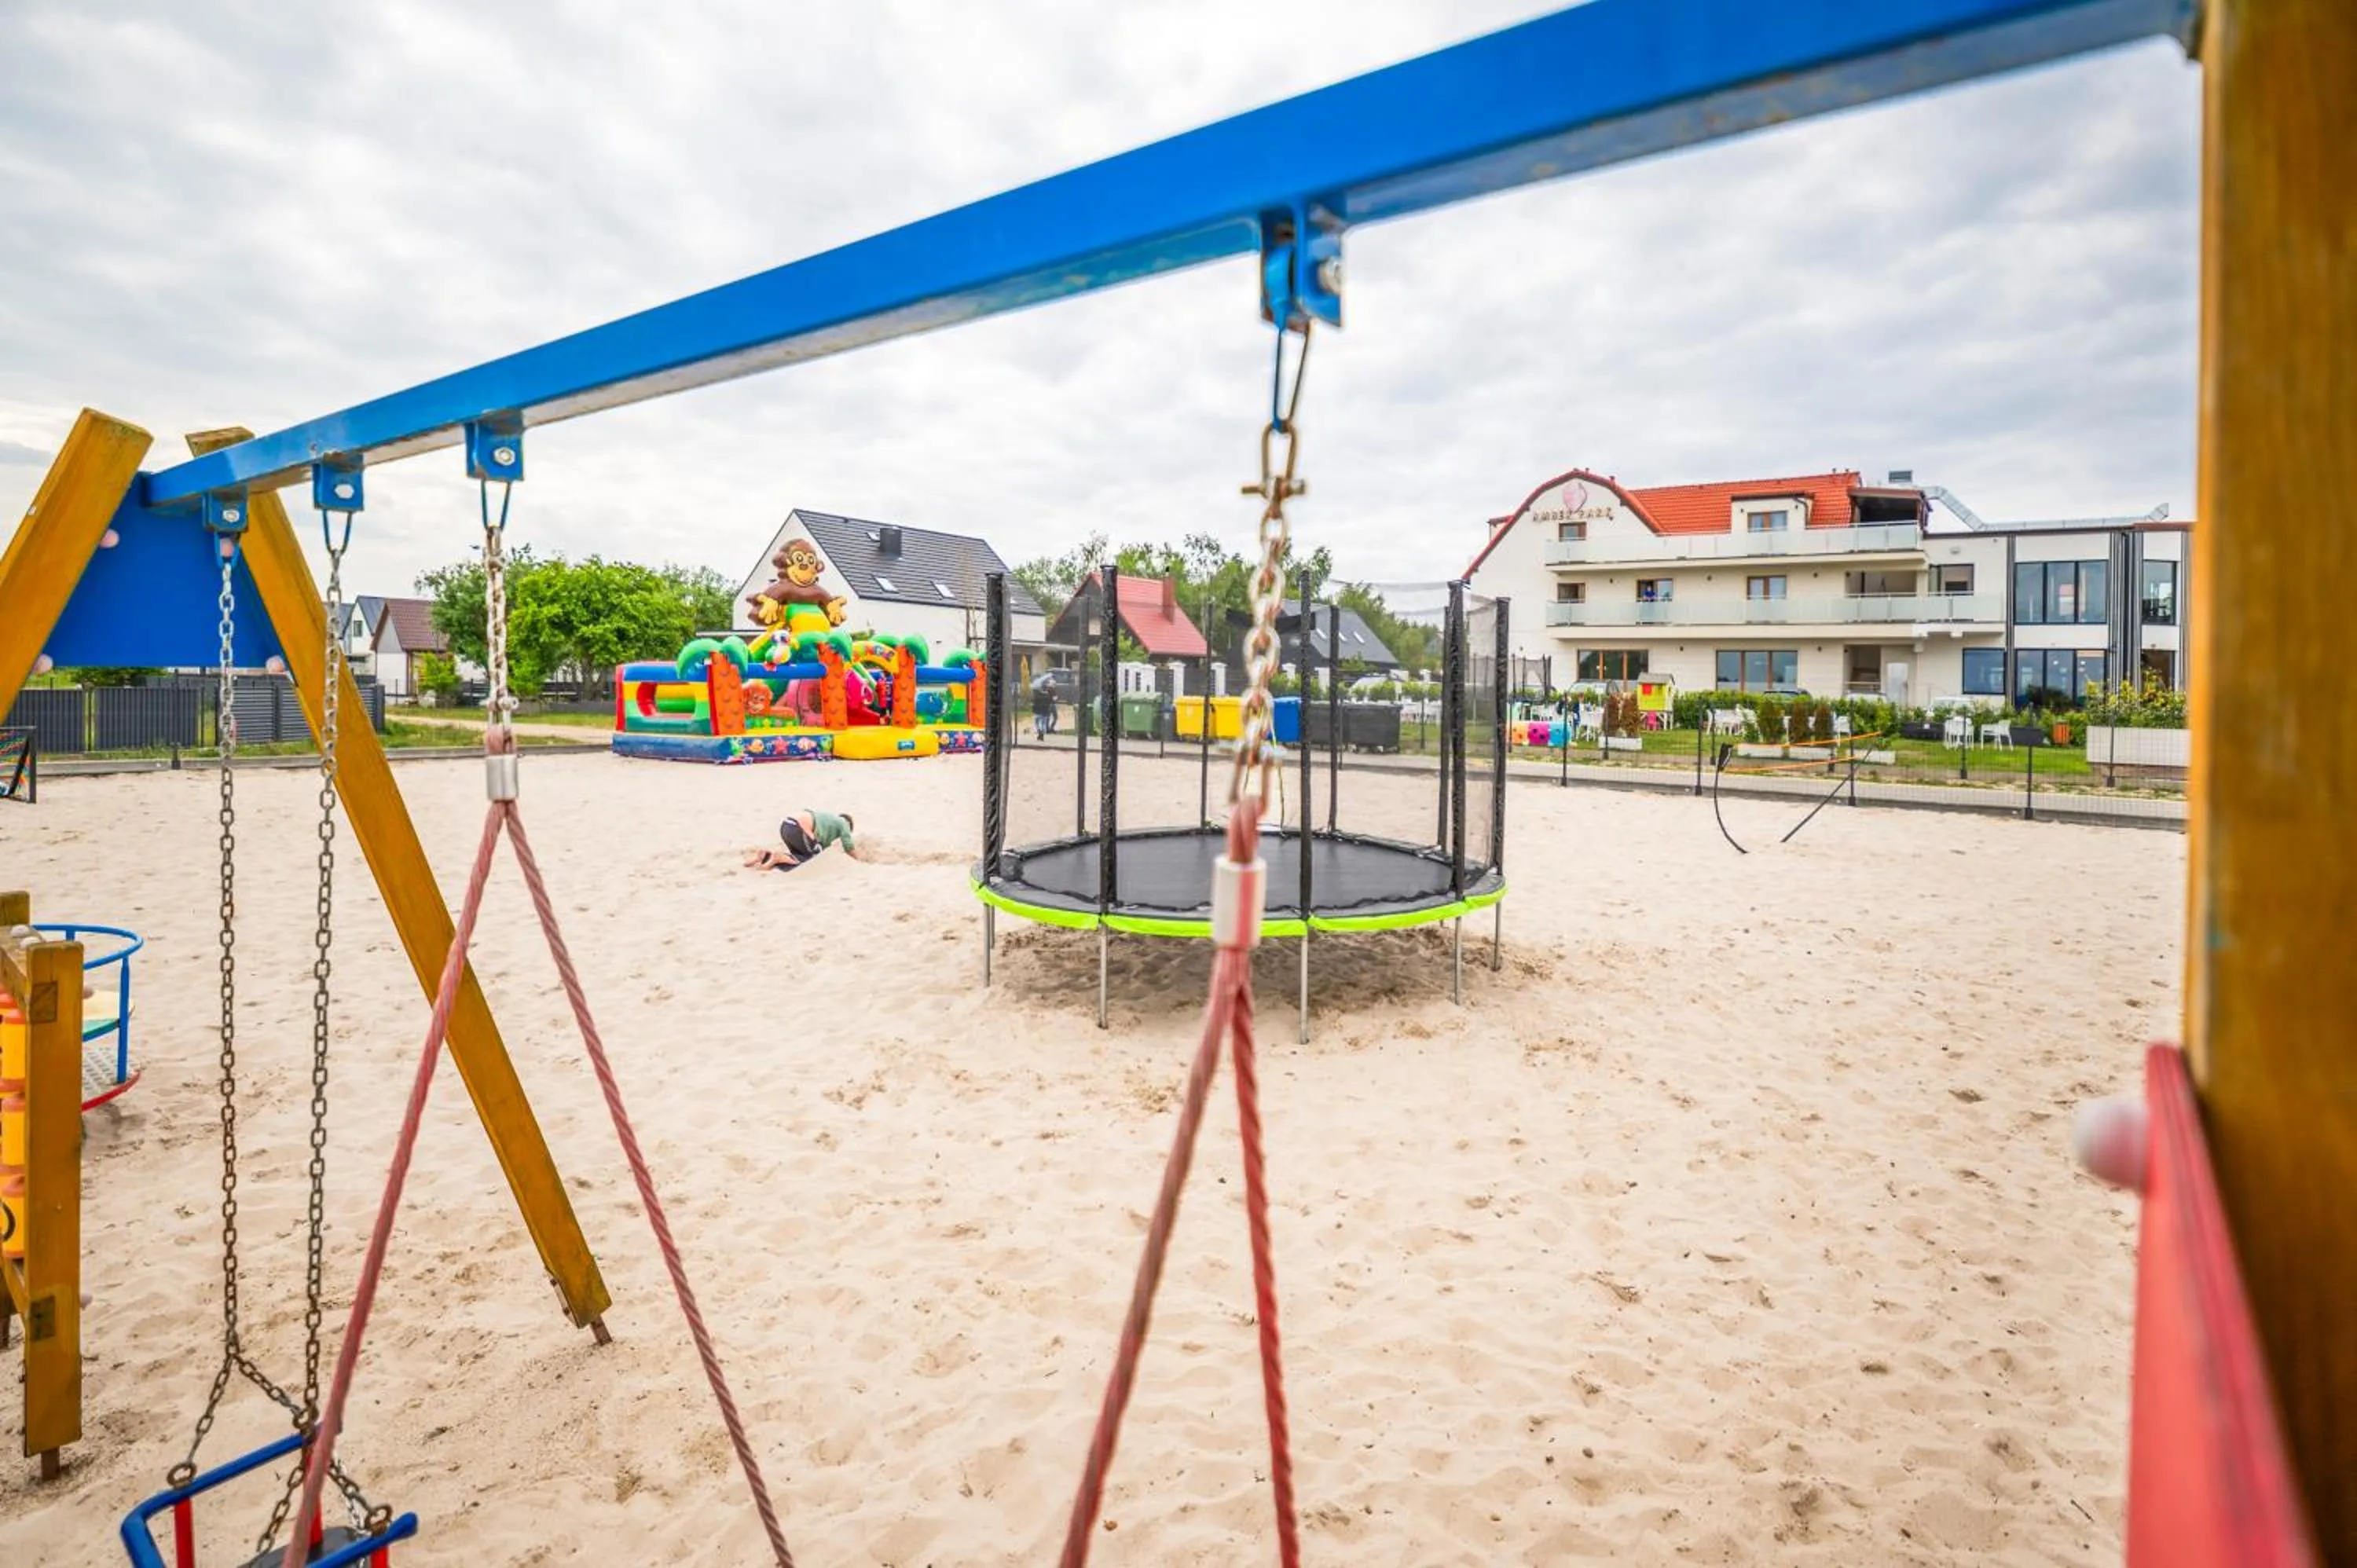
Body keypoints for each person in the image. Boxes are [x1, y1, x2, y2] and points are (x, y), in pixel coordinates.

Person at [744, 809, 857, 871]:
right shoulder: (843, 823)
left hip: (786, 825)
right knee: (811, 860)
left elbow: (819, 846)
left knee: (798, 856)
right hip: (798, 829)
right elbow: (848, 846)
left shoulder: (827, 820)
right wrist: (857, 860)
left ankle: (765, 856)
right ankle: (778, 857)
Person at [1031, 672, 1059, 740]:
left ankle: (1041, 731)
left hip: (1039, 712)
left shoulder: (1037, 696)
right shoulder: (1048, 694)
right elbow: (1053, 699)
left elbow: (1034, 704)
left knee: (1037, 722)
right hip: (1046, 710)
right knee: (1045, 721)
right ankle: (1045, 731)